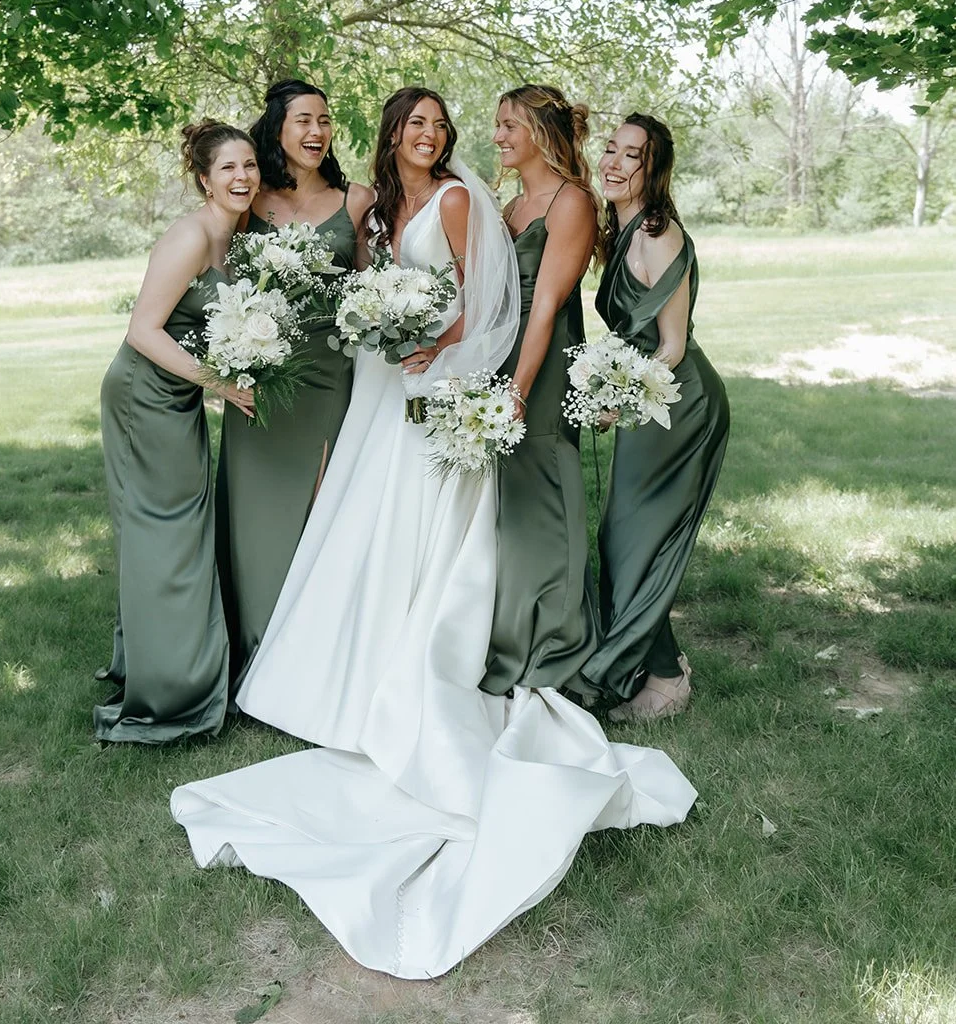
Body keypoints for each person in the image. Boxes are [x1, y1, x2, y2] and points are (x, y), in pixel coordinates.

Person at [171, 89, 695, 979]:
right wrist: (386, 321)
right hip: (392, 377)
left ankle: (514, 648)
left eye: (456, 125)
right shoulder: (384, 202)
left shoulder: (464, 197)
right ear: (392, 136)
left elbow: (493, 302)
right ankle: (354, 656)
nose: (447, 136)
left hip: (456, 375)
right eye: (424, 124)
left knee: (468, 517)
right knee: (368, 517)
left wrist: (463, 358)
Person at [95, 120, 258, 744]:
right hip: (143, 395)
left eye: (249, 166)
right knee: (162, 535)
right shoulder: (191, 235)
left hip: (181, 395)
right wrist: (223, 385)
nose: (242, 177)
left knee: (183, 531)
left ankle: (167, 663)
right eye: (228, 169)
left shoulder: (235, 235)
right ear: (204, 178)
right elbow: (144, 329)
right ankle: (169, 690)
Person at [215, 79, 373, 686]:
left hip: (328, 376)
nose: (316, 132)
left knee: (320, 510)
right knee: (257, 518)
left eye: (326, 121)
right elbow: (216, 278)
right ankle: (253, 652)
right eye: (303, 120)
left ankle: (311, 659)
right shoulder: (248, 199)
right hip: (258, 377)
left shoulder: (356, 198)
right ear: (277, 128)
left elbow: (367, 285)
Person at [584, 113, 730, 722]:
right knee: (625, 543)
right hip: (651, 398)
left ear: (654, 168)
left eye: (631, 156)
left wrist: (619, 391)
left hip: (678, 401)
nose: (615, 164)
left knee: (631, 544)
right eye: (611, 151)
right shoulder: (618, 229)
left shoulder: (658, 231)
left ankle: (666, 681)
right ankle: (653, 667)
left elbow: (670, 343)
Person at [482, 84, 603, 695]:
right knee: (512, 504)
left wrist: (519, 390)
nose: (499, 136)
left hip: (545, 360)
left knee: (548, 489)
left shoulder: (571, 202)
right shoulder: (510, 208)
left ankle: (558, 645)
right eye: (498, 125)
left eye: (509, 125)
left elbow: (549, 304)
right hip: (505, 350)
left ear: (540, 132)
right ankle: (514, 632)